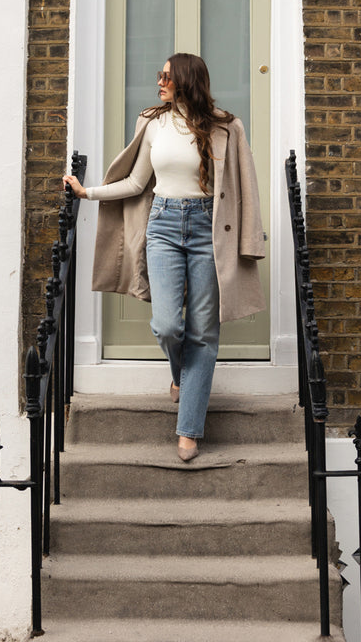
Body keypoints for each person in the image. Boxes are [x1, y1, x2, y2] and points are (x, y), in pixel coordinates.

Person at [63, 53, 266, 463]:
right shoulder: (153, 122)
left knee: (204, 334)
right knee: (168, 324)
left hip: (210, 229)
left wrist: (250, 242)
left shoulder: (227, 127)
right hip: (163, 224)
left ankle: (189, 430)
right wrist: (89, 193)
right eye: (160, 76)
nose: (159, 82)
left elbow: (246, 186)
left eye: (166, 77)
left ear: (187, 81)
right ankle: (180, 377)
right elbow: (137, 182)